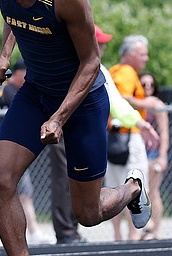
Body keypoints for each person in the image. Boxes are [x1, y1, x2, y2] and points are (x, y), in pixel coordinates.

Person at [0, 1, 151, 255]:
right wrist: (4, 56)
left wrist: (59, 118)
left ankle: (133, 188)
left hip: (84, 102)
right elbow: (13, 16)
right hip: (36, 93)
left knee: (87, 213)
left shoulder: (68, 2)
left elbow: (92, 62)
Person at [50, 24, 159, 245]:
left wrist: (140, 122)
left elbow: (118, 101)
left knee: (88, 203)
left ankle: (133, 191)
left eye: (101, 43)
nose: (101, 47)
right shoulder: (61, 61)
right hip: (67, 129)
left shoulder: (101, 69)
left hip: (88, 133)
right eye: (97, 42)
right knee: (63, 182)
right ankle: (70, 232)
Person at [0, 58, 50, 246]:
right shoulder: (9, 92)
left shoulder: (14, 91)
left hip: (16, 147)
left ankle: (33, 232)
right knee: (8, 191)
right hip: (10, 147)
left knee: (16, 192)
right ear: (20, 73)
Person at [107, 35, 160, 241]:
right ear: (128, 55)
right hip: (128, 137)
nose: (145, 58)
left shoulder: (113, 71)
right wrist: (149, 103)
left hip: (112, 138)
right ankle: (131, 236)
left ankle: (119, 236)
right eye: (142, 53)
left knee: (113, 188)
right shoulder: (126, 72)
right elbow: (124, 98)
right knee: (135, 187)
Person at [138, 72, 169, 240]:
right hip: (137, 151)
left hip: (153, 153)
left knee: (152, 191)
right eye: (143, 85)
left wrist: (162, 157)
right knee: (139, 192)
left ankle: (154, 230)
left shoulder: (157, 105)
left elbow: (164, 133)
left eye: (151, 85)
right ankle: (143, 230)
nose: (147, 88)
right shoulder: (136, 104)